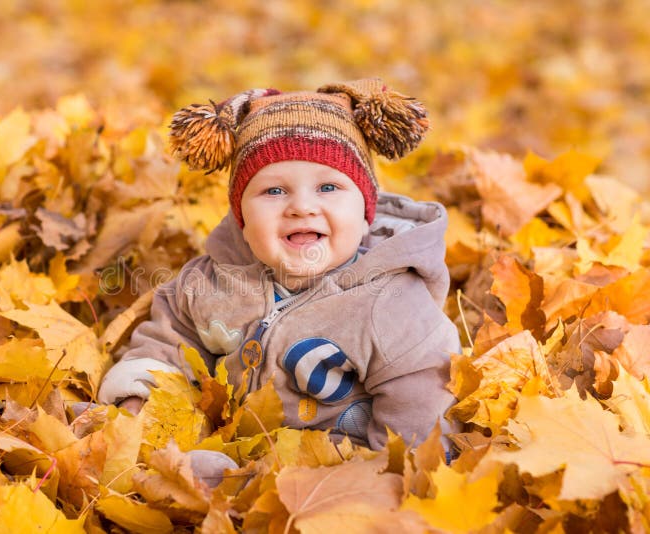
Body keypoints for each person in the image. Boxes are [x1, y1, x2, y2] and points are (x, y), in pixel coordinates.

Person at [97, 78, 460, 481]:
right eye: (273, 191)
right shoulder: (212, 281)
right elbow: (171, 338)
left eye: (328, 187)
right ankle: (196, 478)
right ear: (242, 218)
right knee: (141, 451)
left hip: (336, 466)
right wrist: (141, 396)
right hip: (231, 438)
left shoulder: (391, 303)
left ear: (364, 211)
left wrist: (380, 477)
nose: (302, 207)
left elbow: (420, 402)